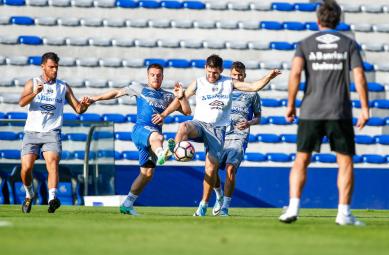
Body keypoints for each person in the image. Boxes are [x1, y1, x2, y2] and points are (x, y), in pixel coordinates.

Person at [154, 54, 281, 216]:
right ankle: (175, 151)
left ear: (221, 70)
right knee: (183, 126)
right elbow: (180, 99)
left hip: (218, 131)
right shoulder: (198, 83)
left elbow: (254, 87)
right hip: (200, 124)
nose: (211, 76)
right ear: (205, 69)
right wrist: (164, 114)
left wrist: (268, 77)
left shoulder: (229, 83)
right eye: (209, 72)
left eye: (215, 73)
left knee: (210, 169)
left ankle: (203, 205)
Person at [279, 0, 369, 226]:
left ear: (318, 19)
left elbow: (295, 74)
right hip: (339, 112)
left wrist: (290, 104)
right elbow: (359, 76)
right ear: (338, 20)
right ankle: (343, 214)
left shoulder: (305, 44)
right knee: (345, 162)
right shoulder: (349, 44)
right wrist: (365, 108)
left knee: (301, 159)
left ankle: (292, 208)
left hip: (310, 110)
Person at [86, 63, 191, 216]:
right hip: (141, 131)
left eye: (158, 75)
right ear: (148, 76)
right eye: (152, 75)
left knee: (147, 174)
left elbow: (187, 111)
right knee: (159, 137)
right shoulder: (139, 88)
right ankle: (163, 153)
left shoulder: (168, 96)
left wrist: (181, 97)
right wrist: (95, 98)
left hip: (151, 142)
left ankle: (127, 204)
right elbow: (116, 93)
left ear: (162, 77)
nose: (155, 77)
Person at [19, 52, 91, 214]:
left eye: (56, 67)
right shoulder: (33, 83)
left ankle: (52, 198)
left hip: (52, 132)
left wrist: (85, 105)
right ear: (43, 66)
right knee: (26, 169)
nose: (54, 70)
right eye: (51, 67)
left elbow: (78, 109)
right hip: (31, 132)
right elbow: (22, 102)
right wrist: (35, 93)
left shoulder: (63, 86)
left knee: (52, 163)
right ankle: (29, 193)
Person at [207, 61, 262, 216]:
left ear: (244, 75)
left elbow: (258, 117)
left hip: (239, 135)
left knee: (231, 169)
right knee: (213, 170)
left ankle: (225, 207)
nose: (237, 77)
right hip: (221, 134)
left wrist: (249, 122)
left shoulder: (252, 94)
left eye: (240, 74)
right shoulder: (222, 90)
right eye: (234, 75)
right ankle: (219, 195)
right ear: (230, 76)